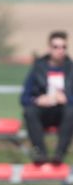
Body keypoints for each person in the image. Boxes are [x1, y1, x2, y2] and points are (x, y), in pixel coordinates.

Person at [20, 30, 73, 164]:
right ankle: (40, 153)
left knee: (71, 111)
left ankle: (59, 154)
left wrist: (67, 99)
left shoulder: (71, 69)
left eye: (63, 47)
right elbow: (24, 98)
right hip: (43, 113)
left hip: (63, 114)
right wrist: (37, 100)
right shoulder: (38, 69)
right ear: (49, 48)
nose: (60, 50)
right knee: (30, 111)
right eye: (56, 47)